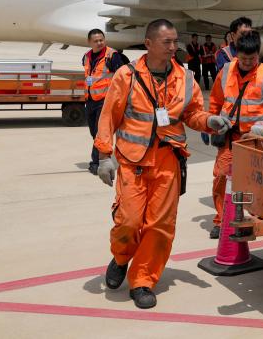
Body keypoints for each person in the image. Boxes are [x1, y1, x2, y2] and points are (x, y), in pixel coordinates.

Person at [93, 19, 232, 309]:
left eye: (175, 41)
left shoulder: (186, 77)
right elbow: (109, 115)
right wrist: (104, 156)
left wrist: (209, 121)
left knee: (160, 225)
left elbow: (192, 114)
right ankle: (121, 257)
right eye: (166, 42)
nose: (173, 47)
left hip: (169, 160)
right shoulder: (127, 75)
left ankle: (143, 280)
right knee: (129, 222)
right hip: (133, 161)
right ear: (148, 44)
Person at [208, 30, 263, 238]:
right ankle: (222, 220)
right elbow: (215, 101)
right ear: (237, 54)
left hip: (254, 140)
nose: (248, 63)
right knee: (222, 177)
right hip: (230, 137)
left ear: (258, 55)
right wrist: (210, 124)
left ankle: (256, 218)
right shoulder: (226, 71)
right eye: (243, 59)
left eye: (252, 59)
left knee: (256, 182)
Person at [82, 29, 128, 176]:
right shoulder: (86, 57)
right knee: (93, 132)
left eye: (101, 40)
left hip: (105, 100)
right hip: (90, 100)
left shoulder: (112, 56)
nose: (99, 43)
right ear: (89, 42)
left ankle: (96, 163)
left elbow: (123, 76)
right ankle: (102, 155)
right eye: (96, 41)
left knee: (100, 132)